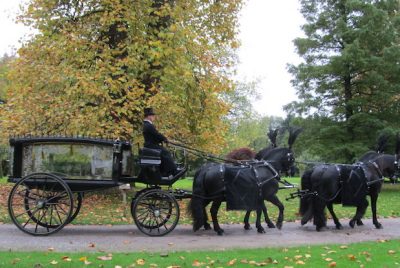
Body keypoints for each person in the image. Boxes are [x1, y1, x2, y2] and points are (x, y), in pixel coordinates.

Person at [142, 107, 178, 176]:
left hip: (151, 145)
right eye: (153, 115)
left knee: (164, 152)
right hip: (151, 146)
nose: (154, 117)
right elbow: (157, 134)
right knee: (165, 152)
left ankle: (165, 171)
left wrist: (163, 139)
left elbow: (154, 135)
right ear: (149, 116)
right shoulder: (148, 125)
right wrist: (164, 139)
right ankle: (173, 171)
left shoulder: (147, 125)